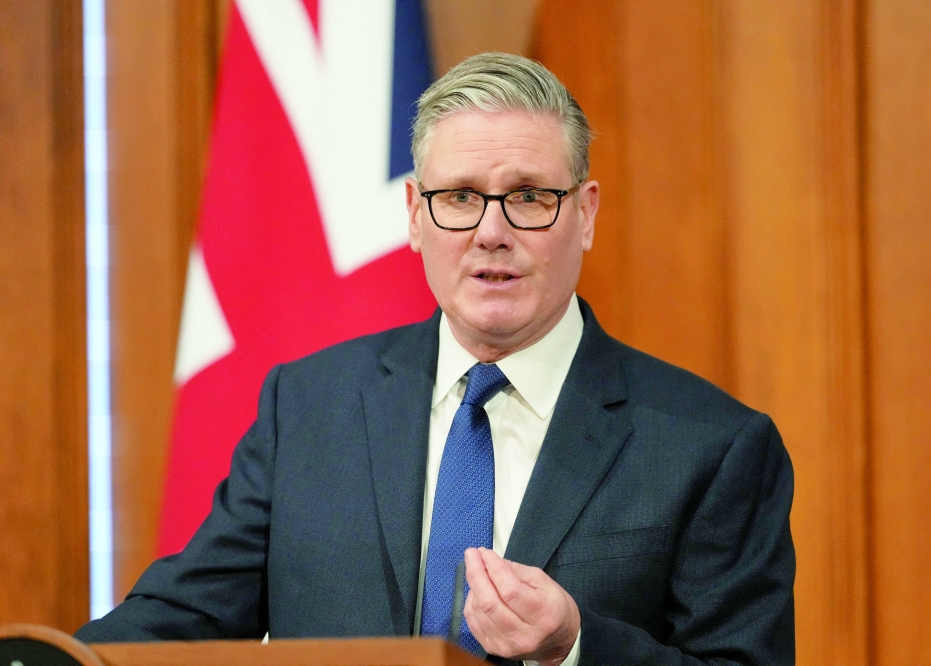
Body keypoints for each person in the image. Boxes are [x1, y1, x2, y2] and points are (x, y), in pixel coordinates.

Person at [76, 53, 795, 665]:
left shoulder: (713, 447)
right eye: (459, 198)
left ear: (586, 214)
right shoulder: (308, 409)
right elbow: (185, 617)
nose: (491, 232)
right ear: (416, 215)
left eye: (529, 196)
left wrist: (578, 644)